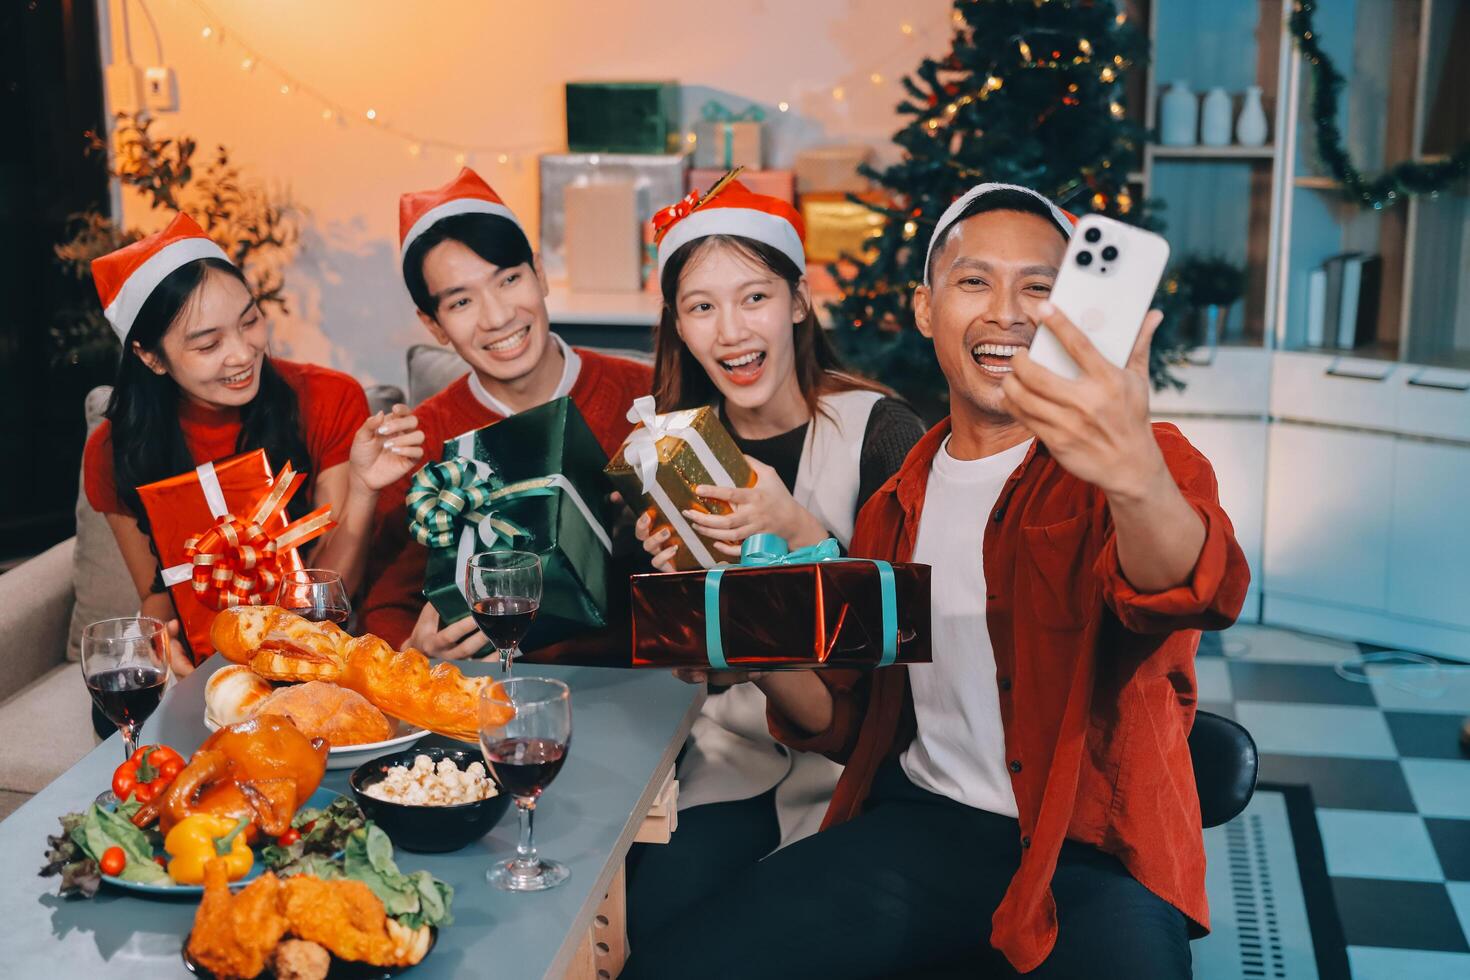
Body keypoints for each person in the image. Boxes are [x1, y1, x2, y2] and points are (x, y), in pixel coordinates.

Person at [624, 183, 1251, 979]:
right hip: (922, 826)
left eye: (1039, 287)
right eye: (974, 282)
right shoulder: (896, 504)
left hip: (1092, 851)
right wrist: (749, 640)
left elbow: (1199, 588)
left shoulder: (1139, 461)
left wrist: (1134, 477)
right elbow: (851, 719)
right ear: (926, 310)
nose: (1007, 311)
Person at [624, 177, 926, 949]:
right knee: (650, 926)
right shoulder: (674, 452)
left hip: (861, 764)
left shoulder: (882, 431)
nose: (730, 331)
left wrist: (794, 524)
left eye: (753, 297)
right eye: (701, 307)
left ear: (797, 302)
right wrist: (676, 593)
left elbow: (912, 633)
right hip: (725, 759)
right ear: (679, 326)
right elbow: (681, 659)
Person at [84, 213, 423, 680]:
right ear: (150, 356)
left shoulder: (326, 399)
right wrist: (162, 649)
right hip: (205, 669)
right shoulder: (113, 449)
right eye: (208, 345)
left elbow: (327, 594)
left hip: (311, 657)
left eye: (250, 321)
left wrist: (363, 489)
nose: (243, 354)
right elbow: (160, 593)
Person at [358, 168, 653, 655]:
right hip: (491, 702)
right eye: (461, 301)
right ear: (433, 326)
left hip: (635, 695)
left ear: (539, 275)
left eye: (510, 279)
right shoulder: (423, 440)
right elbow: (385, 606)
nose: (497, 317)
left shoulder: (643, 394)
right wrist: (416, 649)